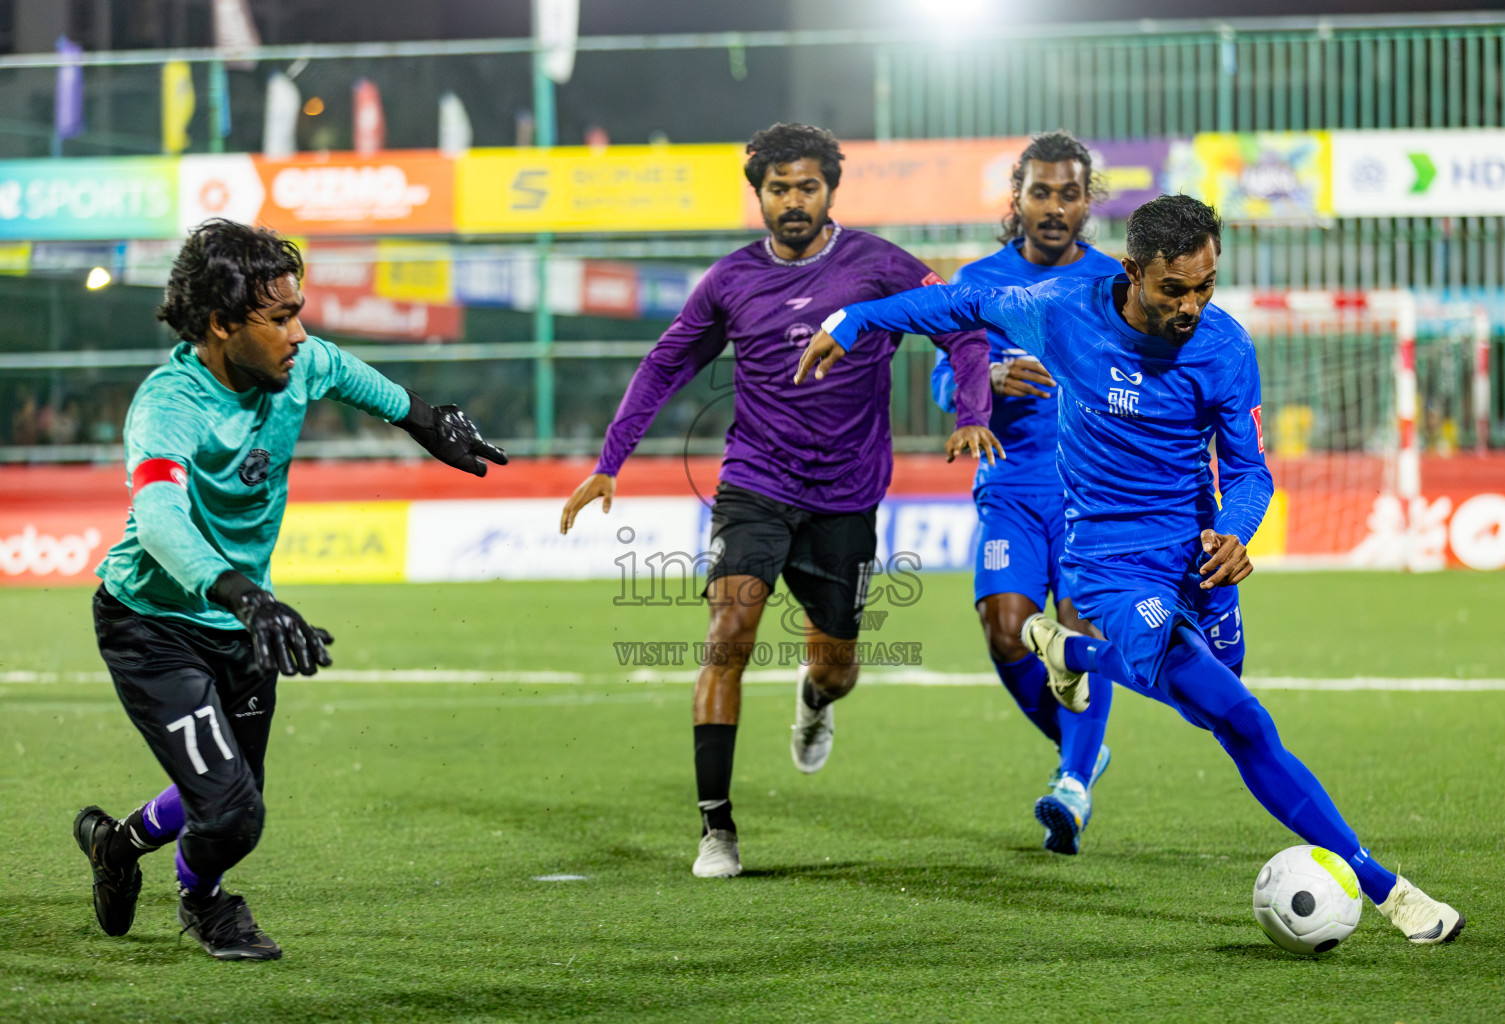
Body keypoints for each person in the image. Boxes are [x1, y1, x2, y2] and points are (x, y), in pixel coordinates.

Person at [799, 194, 1464, 945]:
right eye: (1173, 288)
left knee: (1217, 690)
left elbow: (1249, 473)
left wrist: (1235, 532)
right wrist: (851, 323)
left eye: (1205, 285)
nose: (1191, 304)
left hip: (1195, 554)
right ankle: (1389, 891)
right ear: (1132, 272)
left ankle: (1068, 650)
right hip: (1109, 564)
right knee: (1239, 718)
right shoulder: (1060, 311)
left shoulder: (1224, 347)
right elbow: (956, 303)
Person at [560, 123, 999, 879]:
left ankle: (814, 699)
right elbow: (665, 362)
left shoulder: (878, 265)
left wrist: (972, 412)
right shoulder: (729, 281)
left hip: (846, 499)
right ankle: (716, 830)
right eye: (778, 188)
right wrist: (610, 461)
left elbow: (963, 326)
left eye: (807, 187)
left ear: (830, 189)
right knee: (727, 632)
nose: (793, 201)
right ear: (758, 193)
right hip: (755, 485)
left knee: (837, 668)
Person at [74, 219, 508, 961]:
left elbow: (350, 374)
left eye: (298, 311)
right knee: (234, 812)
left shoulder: (298, 365)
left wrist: (427, 422)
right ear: (220, 323)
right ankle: (205, 902)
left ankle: (117, 845)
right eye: (280, 318)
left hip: (244, 620)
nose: (300, 333)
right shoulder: (168, 406)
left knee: (232, 793)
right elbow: (158, 519)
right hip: (155, 624)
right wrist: (243, 592)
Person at [930, 132, 1247, 855]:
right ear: (1018, 199)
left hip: (1090, 499)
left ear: (1086, 202)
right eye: (1040, 191)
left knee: (1080, 624)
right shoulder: (980, 278)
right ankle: (1078, 744)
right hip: (1010, 483)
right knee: (1005, 627)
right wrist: (983, 382)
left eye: (1068, 193)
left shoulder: (1123, 281)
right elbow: (943, 378)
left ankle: (1073, 779)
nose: (1053, 206)